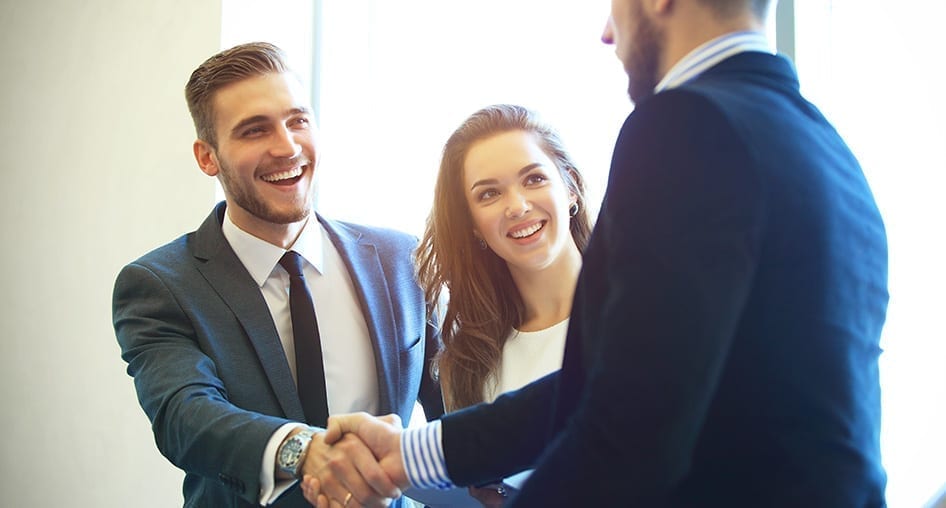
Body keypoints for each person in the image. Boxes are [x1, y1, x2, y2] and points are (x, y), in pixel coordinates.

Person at [302, 0, 889, 506]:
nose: (609, 33)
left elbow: (630, 427)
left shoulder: (684, 125)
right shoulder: (826, 147)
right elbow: (612, 386)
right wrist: (407, 452)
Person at [112, 42, 443, 508]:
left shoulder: (401, 260)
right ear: (208, 157)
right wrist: (307, 452)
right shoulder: (160, 285)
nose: (286, 146)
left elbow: (459, 405)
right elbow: (186, 417)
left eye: (298, 121)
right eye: (254, 130)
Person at [409, 104, 593, 507]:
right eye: (489, 193)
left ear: (571, 188)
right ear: (472, 223)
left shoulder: (640, 316)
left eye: (534, 178)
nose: (517, 205)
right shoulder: (470, 363)